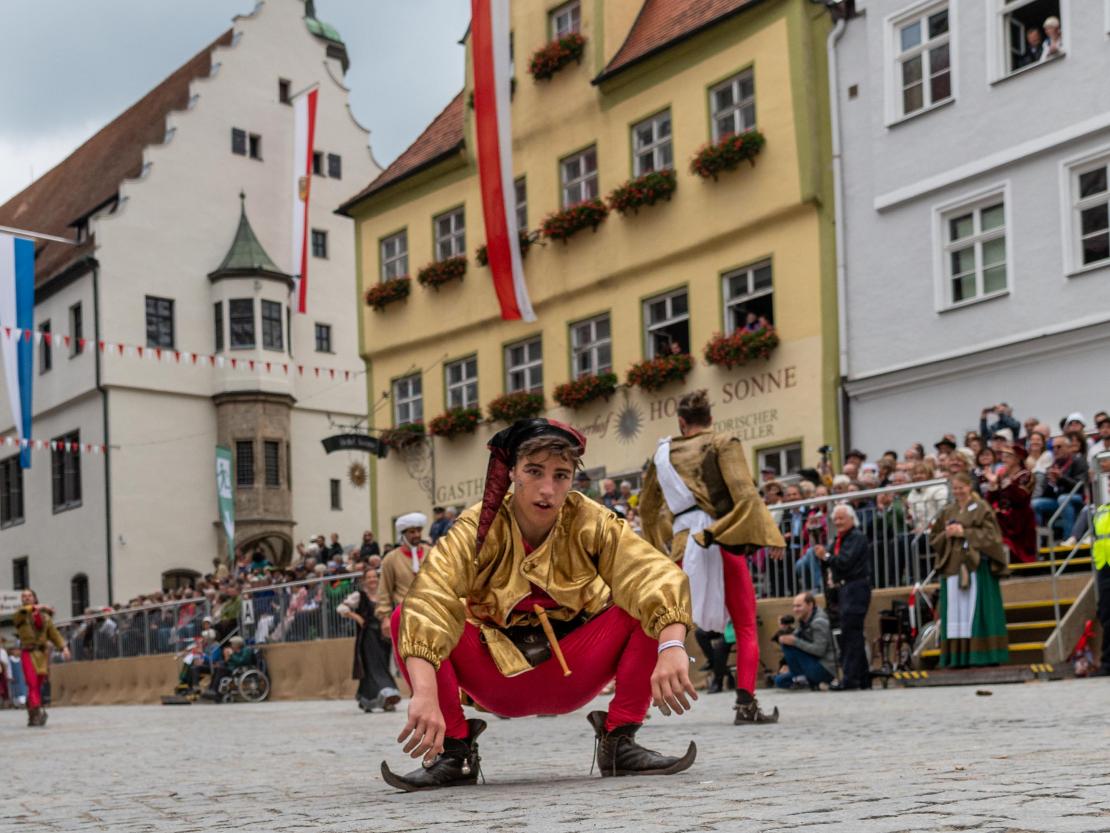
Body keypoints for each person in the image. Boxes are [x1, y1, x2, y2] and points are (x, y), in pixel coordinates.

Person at [381, 418, 697, 791]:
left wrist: (672, 644)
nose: (547, 489)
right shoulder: (476, 527)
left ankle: (619, 741)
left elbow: (654, 575)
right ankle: (455, 751)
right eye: (534, 471)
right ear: (512, 471)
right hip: (497, 673)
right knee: (408, 614)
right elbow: (429, 599)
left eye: (561, 475)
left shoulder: (591, 520)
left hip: (575, 668)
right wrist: (425, 693)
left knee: (644, 604)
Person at [640, 389, 785, 725]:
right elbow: (747, 498)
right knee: (746, 625)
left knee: (655, 623)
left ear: (681, 422)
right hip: (720, 541)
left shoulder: (662, 453)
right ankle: (746, 705)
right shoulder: (723, 441)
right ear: (710, 419)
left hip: (680, 545)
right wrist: (769, 536)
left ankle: (634, 703)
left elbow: (647, 511)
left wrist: (659, 549)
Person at [930, 473, 1010, 668]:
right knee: (955, 612)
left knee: (975, 608)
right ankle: (957, 657)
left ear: (969, 487)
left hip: (975, 565)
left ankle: (983, 655)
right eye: (955, 488)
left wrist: (964, 532)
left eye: (961, 488)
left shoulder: (981, 507)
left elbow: (992, 536)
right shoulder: (948, 511)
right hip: (953, 566)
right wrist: (947, 534)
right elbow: (934, 538)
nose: (958, 492)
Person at [813, 505, 872, 690]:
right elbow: (830, 563)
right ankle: (861, 678)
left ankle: (851, 679)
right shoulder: (838, 540)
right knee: (850, 635)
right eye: (835, 519)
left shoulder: (857, 538)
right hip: (843, 589)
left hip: (855, 587)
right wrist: (823, 557)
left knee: (851, 635)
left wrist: (827, 556)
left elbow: (844, 562)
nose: (838, 522)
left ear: (851, 519)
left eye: (841, 518)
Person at [339, 569, 401, 712]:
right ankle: (387, 695)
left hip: (384, 638)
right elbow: (341, 607)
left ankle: (366, 699)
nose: (372, 579)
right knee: (374, 667)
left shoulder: (385, 596)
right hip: (368, 638)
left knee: (382, 666)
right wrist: (357, 617)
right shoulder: (359, 596)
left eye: (375, 576)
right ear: (364, 580)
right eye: (369, 577)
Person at [12, 590, 70, 727]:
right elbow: (20, 615)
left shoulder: (45, 617)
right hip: (28, 653)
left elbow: (54, 634)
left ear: (35, 598)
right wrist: (39, 607)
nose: (26, 598)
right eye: (24, 597)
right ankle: (37, 712)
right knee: (32, 683)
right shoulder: (19, 615)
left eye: (29, 596)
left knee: (37, 685)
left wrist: (64, 648)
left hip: (42, 655)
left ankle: (32, 712)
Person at [376, 512, 429, 642]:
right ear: (403, 535)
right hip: (405, 617)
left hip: (431, 615)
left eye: (418, 531)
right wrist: (385, 618)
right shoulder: (391, 559)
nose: (416, 535)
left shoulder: (431, 552)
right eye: (412, 532)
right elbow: (384, 590)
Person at [982, 443, 1037, 563]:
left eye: (1008, 456)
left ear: (1017, 459)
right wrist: (993, 484)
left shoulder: (1025, 475)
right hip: (1004, 514)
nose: (1004, 459)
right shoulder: (1002, 476)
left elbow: (1020, 498)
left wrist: (1008, 485)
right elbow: (990, 500)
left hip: (1020, 516)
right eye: (1003, 456)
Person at [774, 592, 836, 690]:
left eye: (799, 606)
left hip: (825, 668)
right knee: (779, 680)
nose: (795, 610)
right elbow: (795, 637)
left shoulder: (819, 621)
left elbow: (819, 650)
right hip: (812, 663)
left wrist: (795, 642)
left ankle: (802, 681)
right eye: (794, 606)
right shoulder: (804, 619)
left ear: (810, 605)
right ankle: (813, 684)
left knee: (788, 644)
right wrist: (785, 630)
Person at [1033, 433, 1088, 536]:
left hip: (1077, 498)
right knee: (1035, 503)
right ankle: (1041, 539)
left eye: (1059, 447)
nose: (1055, 450)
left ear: (1068, 448)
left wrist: (1061, 478)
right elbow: (1046, 493)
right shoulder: (1054, 464)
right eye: (1053, 447)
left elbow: (1080, 486)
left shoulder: (1078, 461)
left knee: (1063, 499)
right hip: (1058, 499)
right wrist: (1051, 483)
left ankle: (1069, 538)